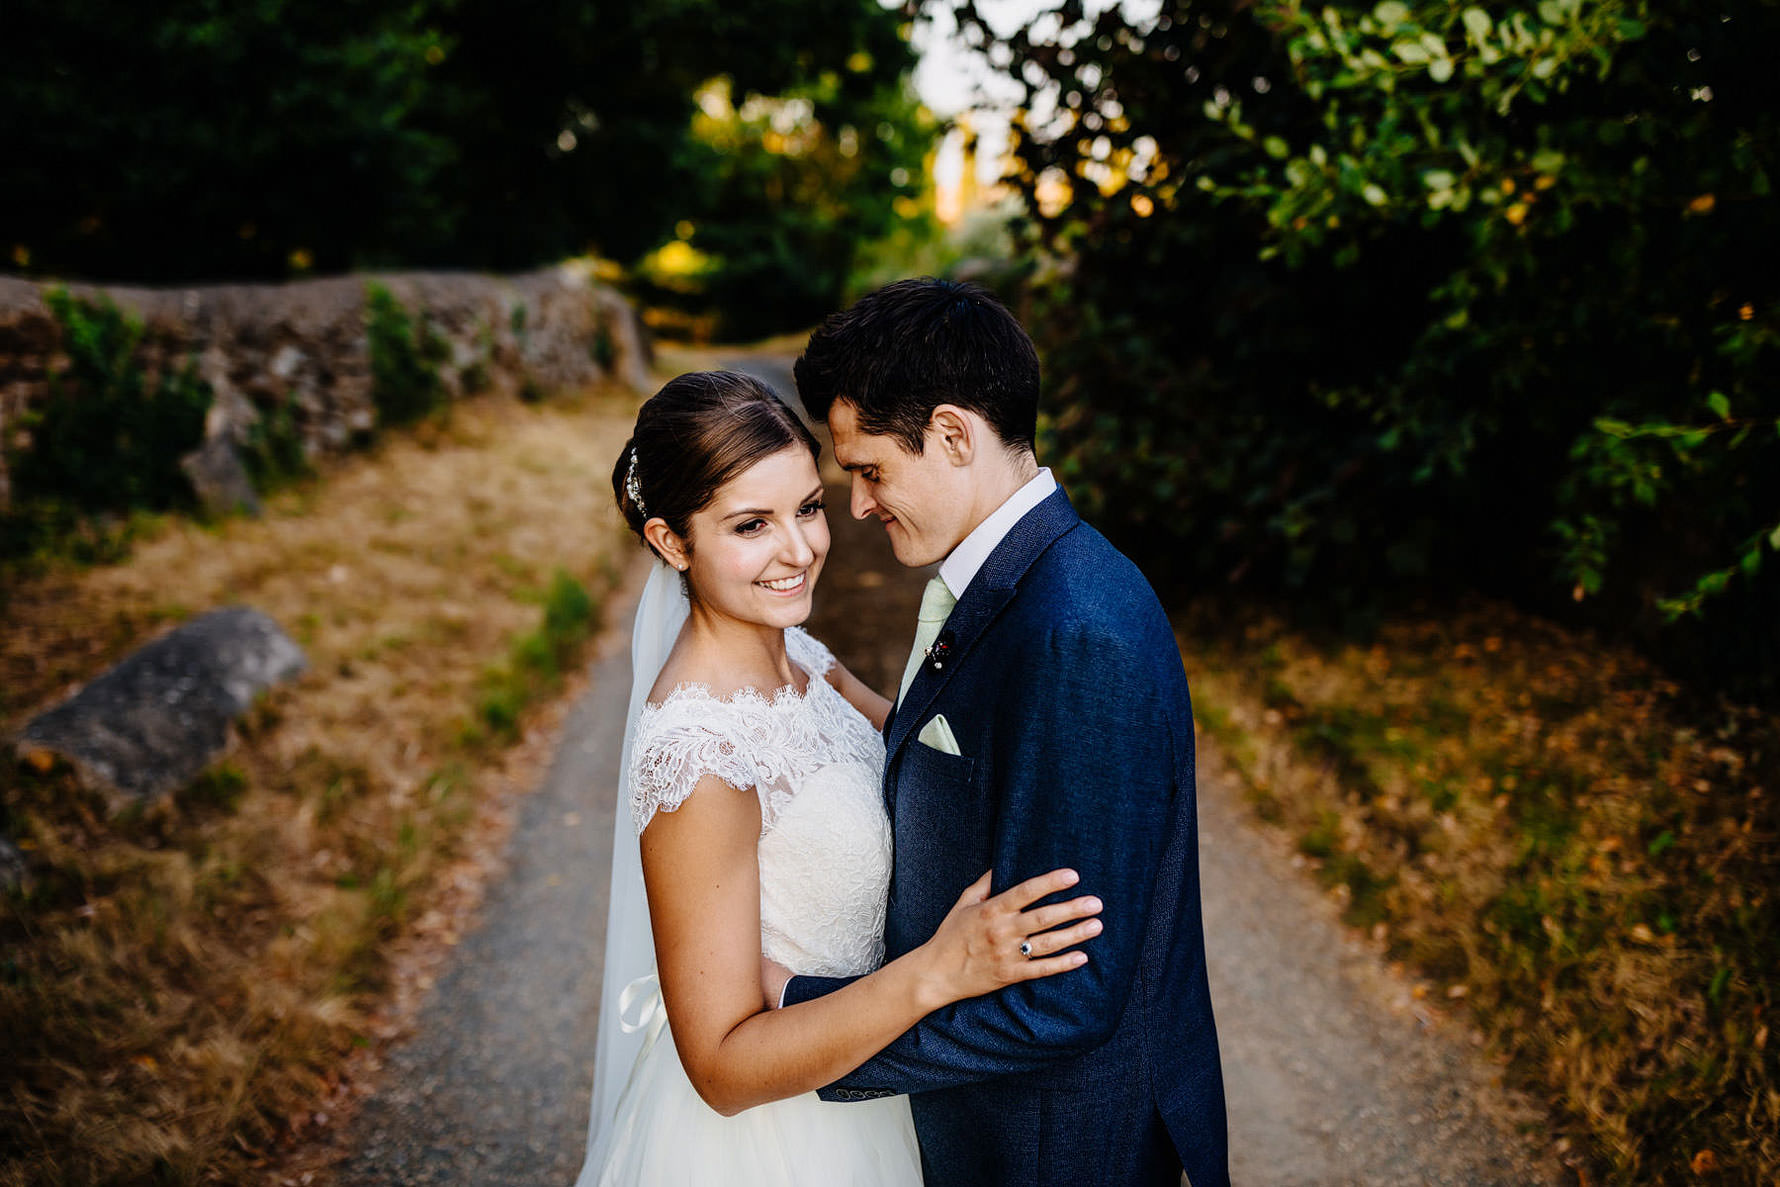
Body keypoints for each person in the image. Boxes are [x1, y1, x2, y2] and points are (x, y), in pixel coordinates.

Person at [576, 370, 1104, 1186]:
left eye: (809, 507)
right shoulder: (701, 754)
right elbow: (721, 1066)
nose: (800, 550)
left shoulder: (809, 665)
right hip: (778, 1147)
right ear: (670, 542)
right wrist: (936, 971)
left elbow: (928, 759)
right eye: (752, 524)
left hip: (874, 1081)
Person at [775, 278, 1230, 1187]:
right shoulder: (1018, 579)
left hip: (1051, 1144)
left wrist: (798, 1030)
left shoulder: (1075, 629)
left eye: (869, 469)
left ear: (952, 433)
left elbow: (1066, 995)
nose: (858, 504)